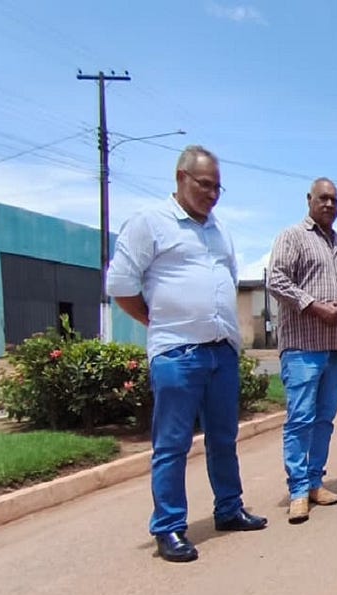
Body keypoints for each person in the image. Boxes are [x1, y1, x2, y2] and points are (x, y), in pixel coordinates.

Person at [106, 145, 266, 563]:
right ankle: (169, 526)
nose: (212, 194)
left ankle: (229, 509)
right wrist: (158, 321)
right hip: (177, 353)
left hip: (221, 353)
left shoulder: (219, 230)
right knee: (172, 444)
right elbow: (121, 285)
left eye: (217, 187)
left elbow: (227, 279)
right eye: (204, 185)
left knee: (223, 438)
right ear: (181, 178)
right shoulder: (150, 223)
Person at [266, 178, 337, 523]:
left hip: (334, 350)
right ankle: (298, 490)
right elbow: (276, 280)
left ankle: (316, 481)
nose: (329, 204)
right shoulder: (292, 237)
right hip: (302, 347)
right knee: (301, 419)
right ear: (309, 199)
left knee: (324, 420)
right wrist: (315, 306)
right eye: (323, 198)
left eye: (334, 200)